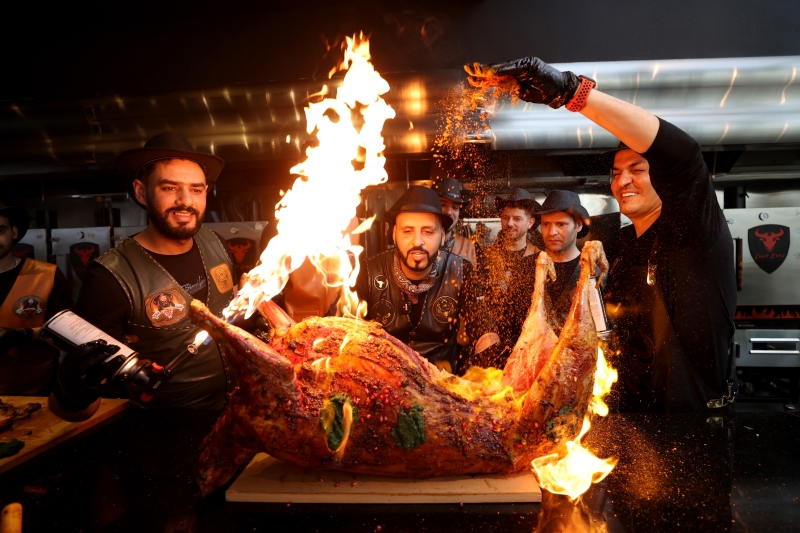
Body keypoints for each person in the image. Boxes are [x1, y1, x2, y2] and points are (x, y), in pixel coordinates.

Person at [466, 56, 736, 412]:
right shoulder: (619, 247)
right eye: (616, 172)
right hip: (626, 420)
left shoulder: (692, 232)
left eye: (637, 169)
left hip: (690, 424)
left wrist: (570, 92)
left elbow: (684, 156)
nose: (623, 181)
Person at [54, 131, 236, 420]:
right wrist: (72, 392)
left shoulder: (216, 243)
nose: (185, 201)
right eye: (170, 188)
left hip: (241, 414)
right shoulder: (110, 278)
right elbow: (81, 409)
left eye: (197, 189)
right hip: (164, 429)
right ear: (141, 192)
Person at [356, 186, 473, 374]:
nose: (417, 242)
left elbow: (483, 327)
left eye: (428, 231)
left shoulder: (461, 270)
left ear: (442, 236)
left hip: (445, 384)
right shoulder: (367, 272)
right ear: (394, 234)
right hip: (384, 381)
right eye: (407, 231)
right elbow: (342, 330)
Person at [0, 202, 73, 394]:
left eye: (0, 230)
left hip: (35, 392)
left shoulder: (46, 276)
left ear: (14, 232)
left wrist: (25, 334)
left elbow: (71, 333)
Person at [469, 189, 541, 368]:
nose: (509, 223)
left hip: (527, 347)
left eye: (517, 219)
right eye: (505, 218)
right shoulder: (486, 256)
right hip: (490, 346)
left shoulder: (539, 259)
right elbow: (476, 301)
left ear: (530, 223)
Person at [538, 190, 591, 336]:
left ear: (578, 225)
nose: (551, 232)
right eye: (546, 224)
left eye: (561, 224)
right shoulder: (526, 266)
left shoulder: (593, 270)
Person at [431, 177, 476, 264]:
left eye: (455, 207)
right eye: (442, 204)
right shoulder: (418, 243)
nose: (448, 212)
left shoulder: (468, 247)